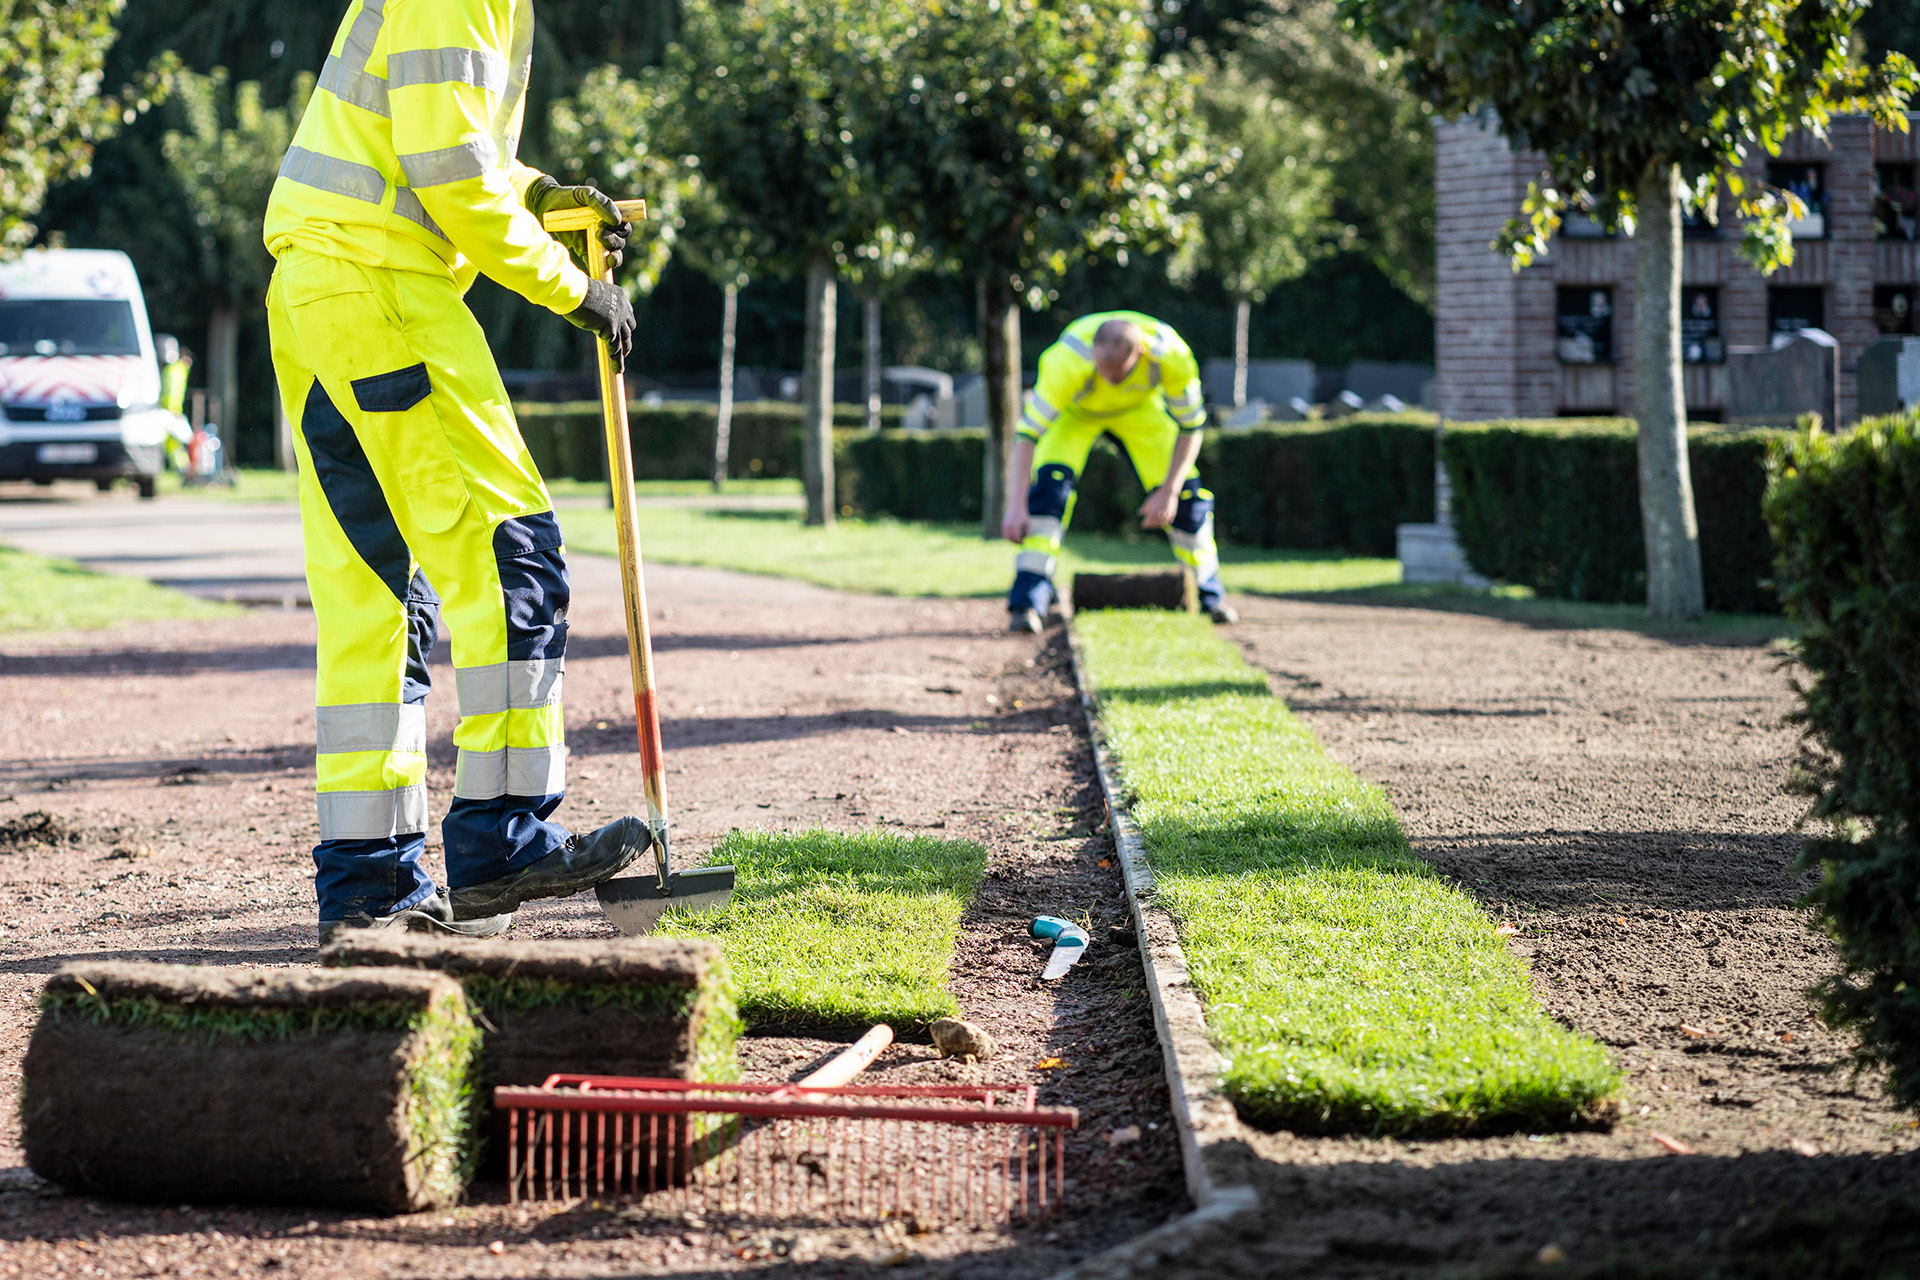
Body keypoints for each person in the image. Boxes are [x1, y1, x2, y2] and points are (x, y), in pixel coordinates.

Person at [262, 0, 646, 943]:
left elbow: (445, 138)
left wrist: (544, 192)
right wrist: (576, 289)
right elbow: (451, 178)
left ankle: (368, 884)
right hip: (385, 285)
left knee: (377, 601)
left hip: (319, 286)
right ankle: (505, 839)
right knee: (514, 559)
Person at [1001, 312, 1235, 632]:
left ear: (1140, 352)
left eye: (1118, 372)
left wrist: (1167, 491)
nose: (1109, 380)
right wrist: (1015, 506)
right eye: (1103, 369)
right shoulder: (1066, 361)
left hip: (1140, 413)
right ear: (1092, 353)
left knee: (1187, 499)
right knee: (1048, 495)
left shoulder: (1173, 356)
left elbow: (1191, 426)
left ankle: (1211, 596)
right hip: (1075, 416)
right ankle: (1028, 603)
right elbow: (1027, 434)